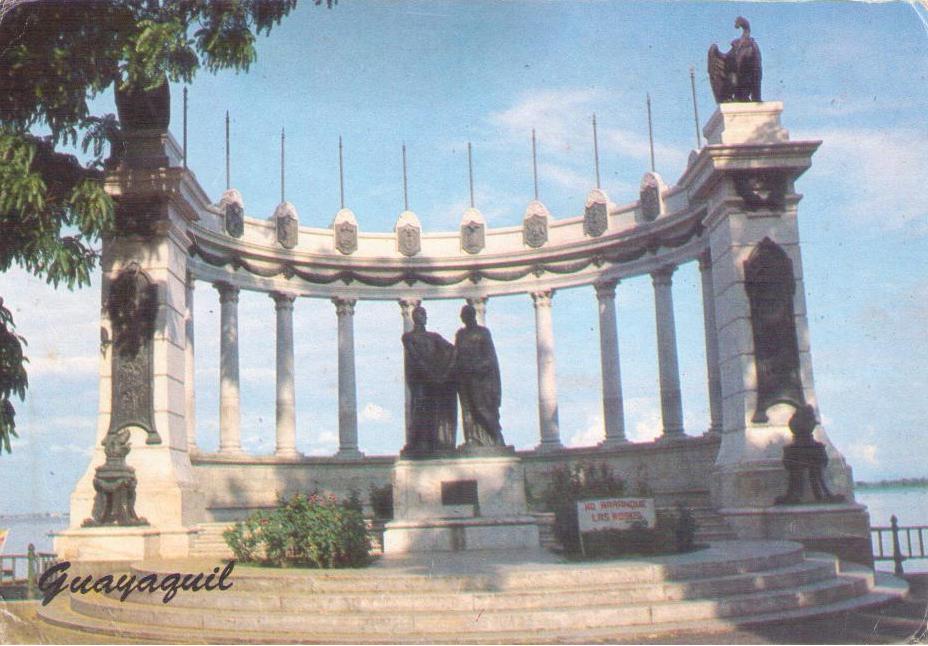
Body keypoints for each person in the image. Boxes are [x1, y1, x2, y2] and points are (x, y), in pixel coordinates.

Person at [401, 306, 457, 455]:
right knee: (419, 408)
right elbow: (415, 357)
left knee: (432, 410)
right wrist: (432, 373)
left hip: (433, 380)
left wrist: (445, 371)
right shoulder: (408, 337)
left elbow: (452, 350)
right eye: (420, 314)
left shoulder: (434, 337)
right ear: (414, 317)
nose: (423, 317)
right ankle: (418, 442)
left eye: (424, 314)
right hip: (420, 379)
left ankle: (431, 442)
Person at [454, 305, 505, 448]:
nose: (465, 318)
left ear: (473, 315)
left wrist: (477, 367)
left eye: (467, 315)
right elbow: (455, 354)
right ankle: (471, 439)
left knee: (482, 408)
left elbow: (490, 357)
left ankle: (497, 435)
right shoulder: (461, 334)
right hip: (463, 377)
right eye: (463, 316)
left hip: (479, 378)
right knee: (467, 410)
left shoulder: (483, 333)